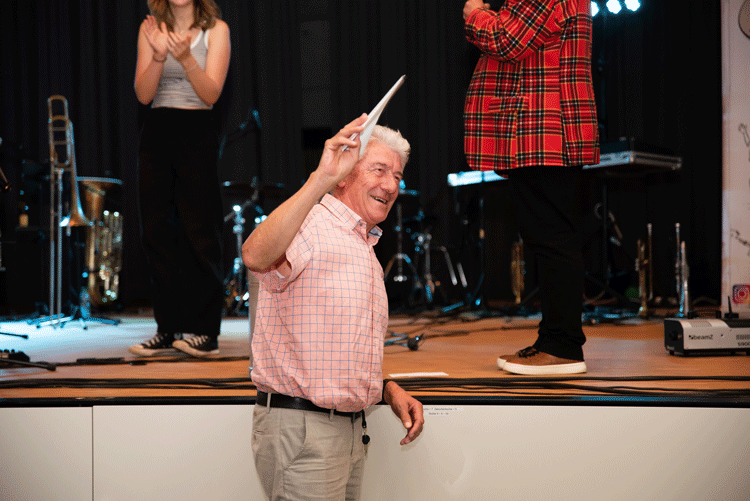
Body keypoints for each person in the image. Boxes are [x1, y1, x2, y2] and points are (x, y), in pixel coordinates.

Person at [242, 116, 424, 501]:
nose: (391, 185)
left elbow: (335, 350)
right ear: (343, 176)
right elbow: (255, 256)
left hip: (346, 430)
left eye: (397, 176)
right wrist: (320, 178)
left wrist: (386, 389)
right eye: (379, 170)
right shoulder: (312, 223)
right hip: (307, 431)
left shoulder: (361, 244)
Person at [462, 0, 600, 375]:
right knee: (549, 237)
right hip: (544, 128)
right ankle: (554, 340)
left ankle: (562, 346)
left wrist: (474, 13)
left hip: (543, 128)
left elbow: (505, 39)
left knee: (552, 240)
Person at [129, 0, 230, 358]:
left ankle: (205, 332)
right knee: (156, 232)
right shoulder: (151, 29)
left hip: (196, 129)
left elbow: (211, 94)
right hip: (157, 129)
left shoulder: (216, 30)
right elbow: (144, 95)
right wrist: (159, 55)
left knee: (200, 232)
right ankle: (167, 328)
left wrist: (186, 58)